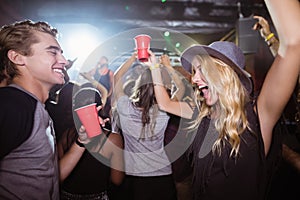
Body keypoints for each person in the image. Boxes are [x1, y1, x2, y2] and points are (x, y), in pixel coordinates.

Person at [147, 0, 300, 199]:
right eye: (194, 71)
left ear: (224, 74)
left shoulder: (257, 117)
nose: (194, 79)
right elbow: (165, 103)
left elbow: (293, 43)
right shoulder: (204, 115)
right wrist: (154, 68)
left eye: (201, 70)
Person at [0, 20, 68, 199]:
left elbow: (47, 178)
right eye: (52, 52)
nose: (64, 61)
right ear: (17, 58)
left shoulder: (34, 106)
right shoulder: (12, 105)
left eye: (61, 53)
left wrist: (83, 141)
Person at [112, 52, 177, 200]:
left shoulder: (124, 106)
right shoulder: (165, 108)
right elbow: (181, 89)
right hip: (162, 176)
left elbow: (116, 77)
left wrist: (134, 57)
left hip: (134, 177)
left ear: (139, 84)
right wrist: (168, 67)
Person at [52, 83, 124, 200]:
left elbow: (58, 171)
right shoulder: (113, 139)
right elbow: (117, 180)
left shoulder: (67, 135)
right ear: (100, 107)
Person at [86, 56, 114, 120]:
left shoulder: (110, 72)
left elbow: (112, 85)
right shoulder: (96, 71)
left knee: (106, 112)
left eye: (102, 60)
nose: (101, 61)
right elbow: (88, 75)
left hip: (106, 94)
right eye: (100, 60)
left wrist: (108, 95)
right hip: (97, 94)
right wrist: (96, 66)